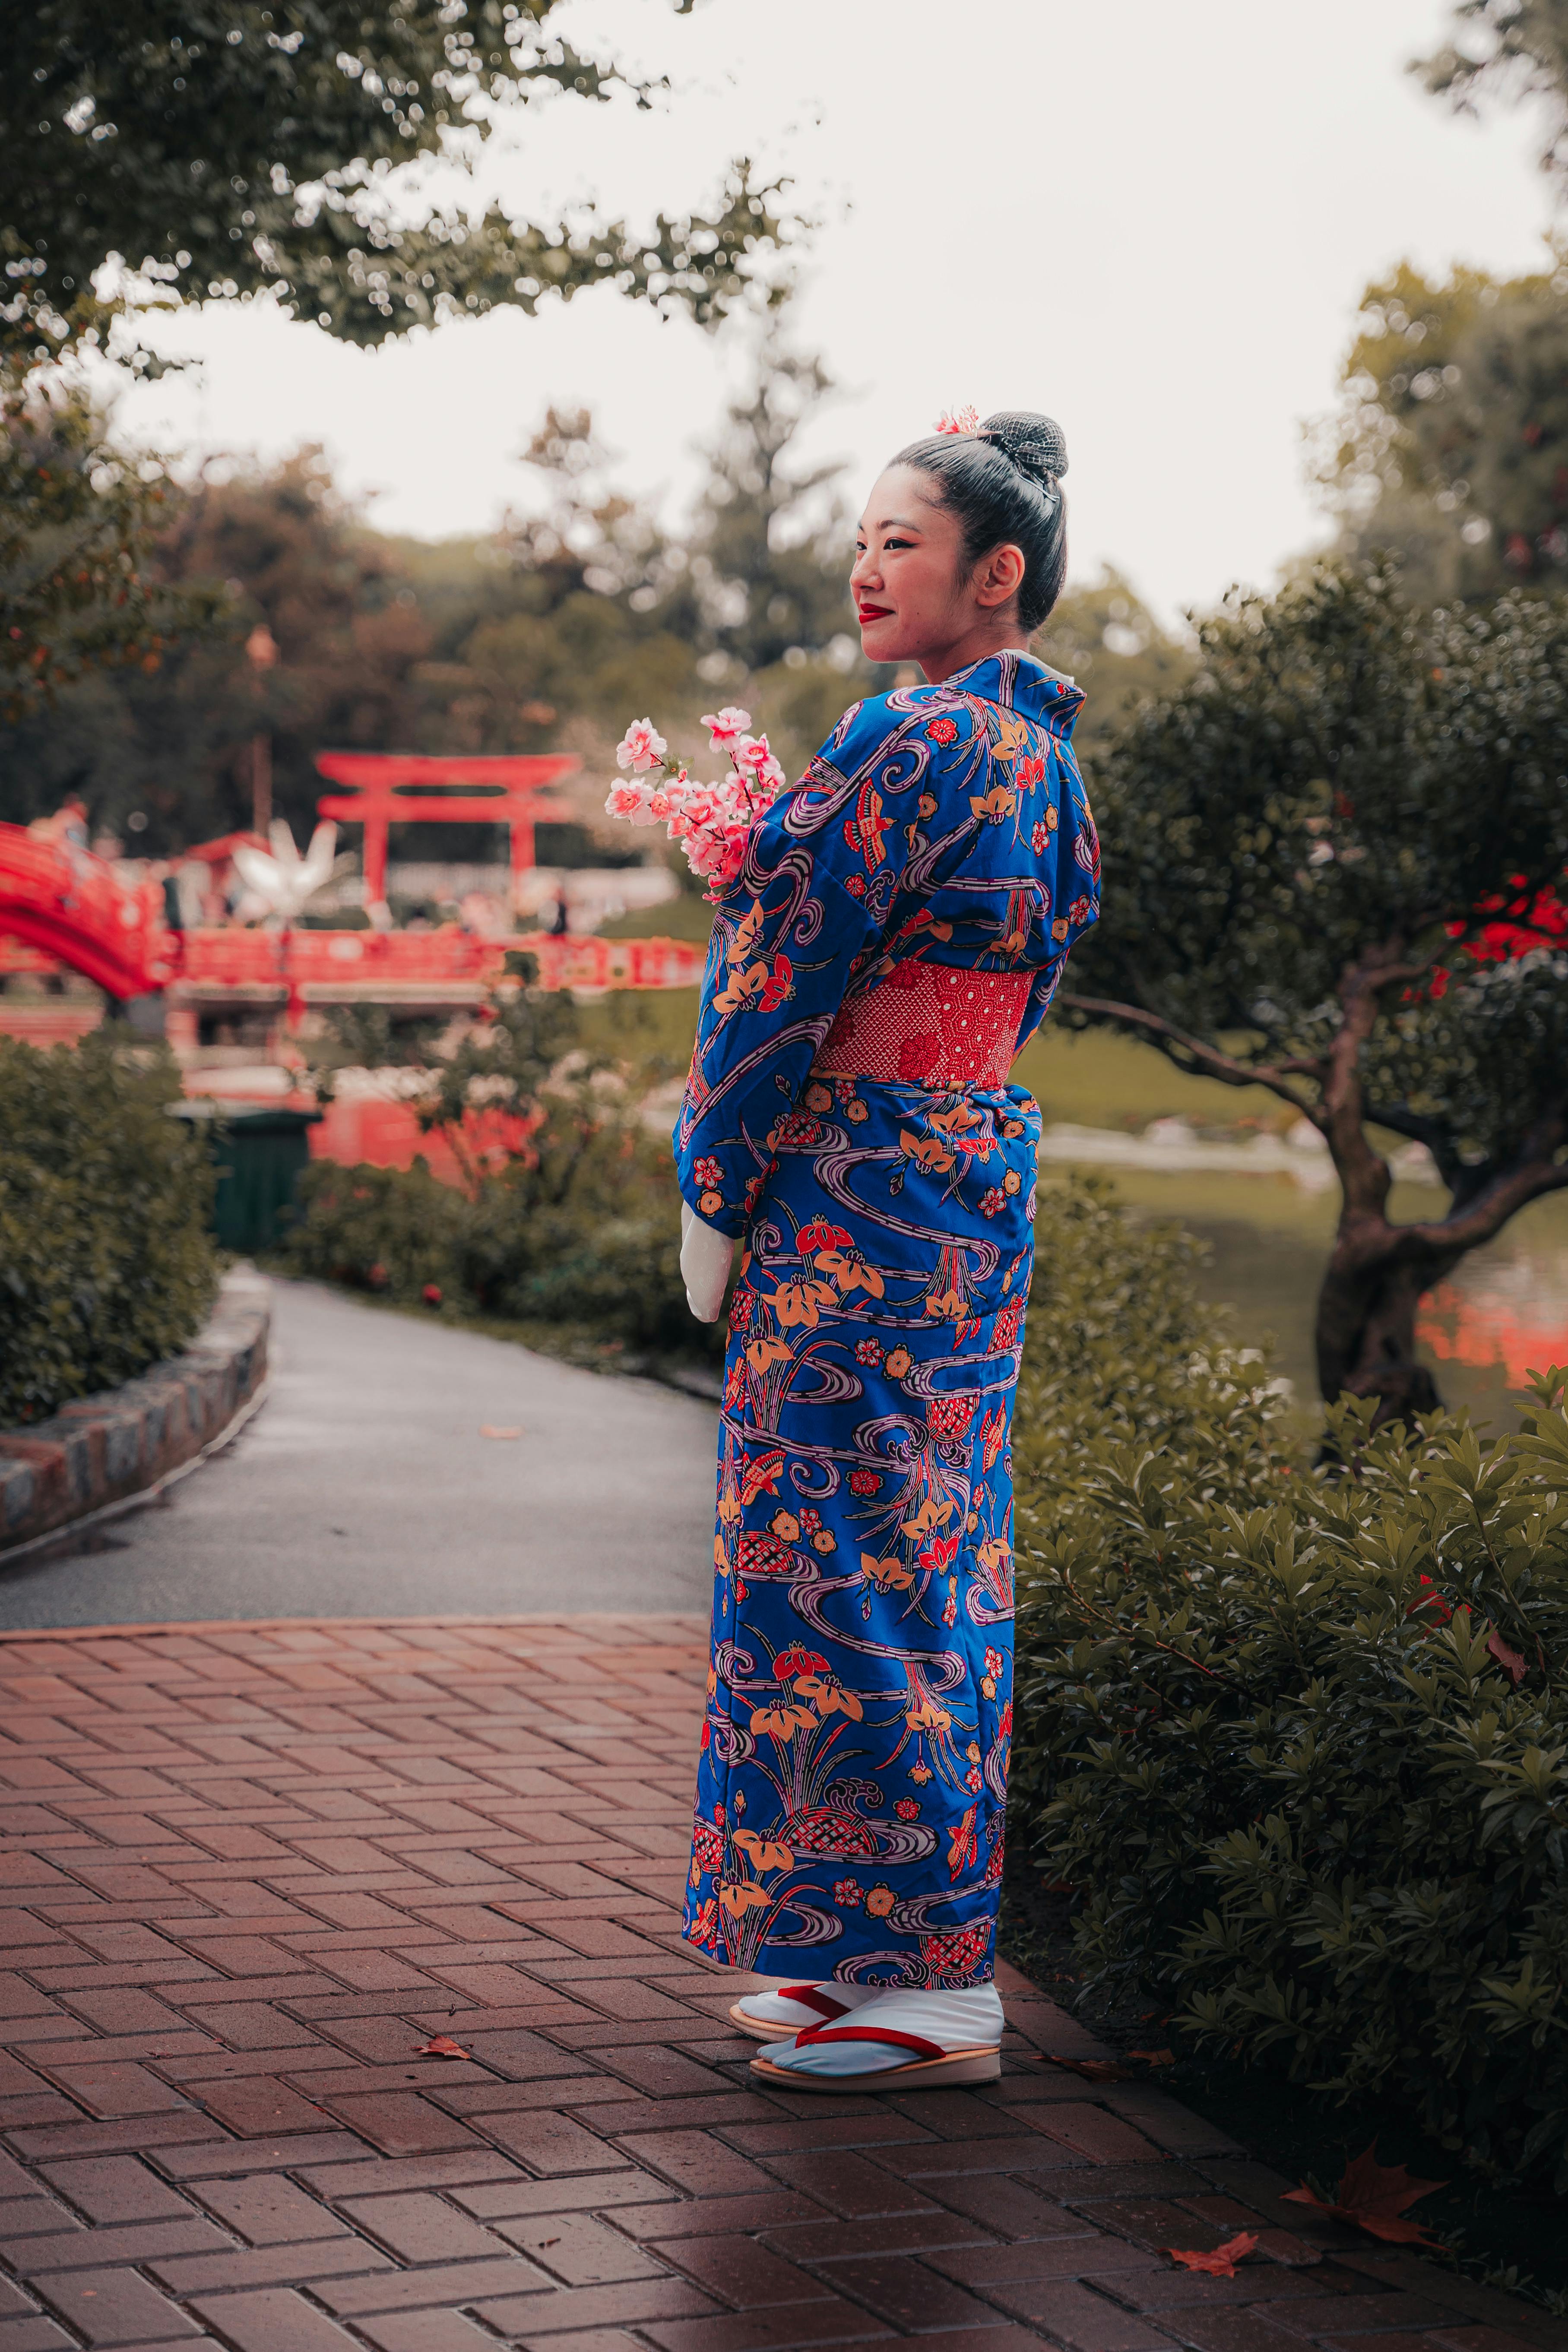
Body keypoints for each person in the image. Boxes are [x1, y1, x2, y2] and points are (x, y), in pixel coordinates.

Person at [674, 410, 1099, 2091]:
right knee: (906, 1545)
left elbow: (784, 972)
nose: (864, 567)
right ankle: (848, 1952)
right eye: (861, 539)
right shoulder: (1042, 764)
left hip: (857, 1189)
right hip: (959, 1176)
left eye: (898, 542)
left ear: (993, 576)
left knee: (838, 1553)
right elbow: (1028, 977)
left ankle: (928, 1989)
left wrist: (714, 1179)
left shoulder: (909, 743)